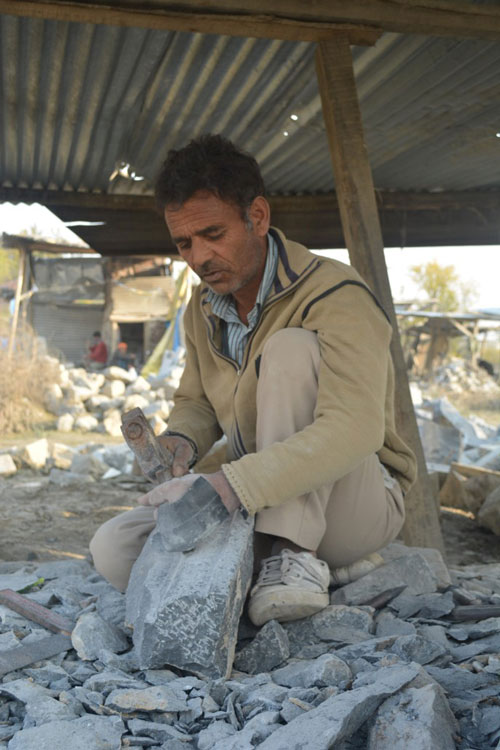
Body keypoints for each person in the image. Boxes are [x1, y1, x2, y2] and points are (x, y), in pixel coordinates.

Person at [90, 135, 417, 626]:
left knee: (289, 349)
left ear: (257, 217)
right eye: (184, 243)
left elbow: (355, 429)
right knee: (112, 549)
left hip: (353, 501)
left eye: (213, 234)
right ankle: (293, 572)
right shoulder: (202, 309)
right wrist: (182, 440)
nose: (199, 257)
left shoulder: (336, 293)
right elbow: (197, 401)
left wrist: (230, 485)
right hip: (257, 493)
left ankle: (294, 554)